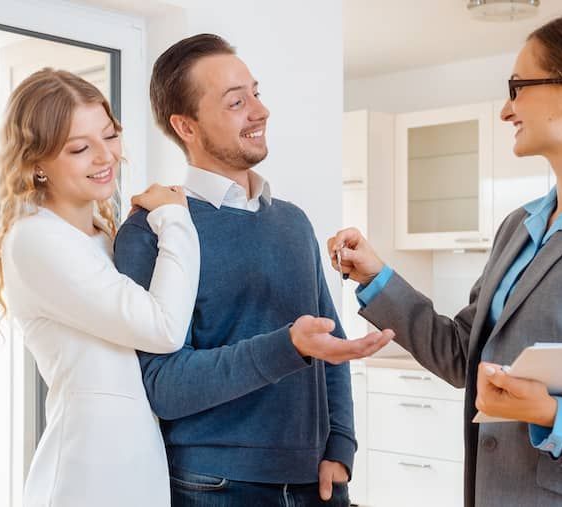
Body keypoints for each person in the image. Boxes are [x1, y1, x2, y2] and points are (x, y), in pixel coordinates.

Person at [329, 14, 562, 507]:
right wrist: (378, 277)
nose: (506, 110)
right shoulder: (518, 228)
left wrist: (552, 413)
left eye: (518, 87)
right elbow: (464, 356)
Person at [114, 34, 394, 506]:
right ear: (186, 126)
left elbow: (331, 342)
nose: (259, 111)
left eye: (256, 94)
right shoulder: (154, 231)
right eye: (235, 102)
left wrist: (340, 446)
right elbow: (162, 385)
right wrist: (287, 346)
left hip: (317, 483)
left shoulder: (292, 221)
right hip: (214, 485)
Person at [0, 68, 200, 506]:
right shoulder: (36, 240)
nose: (105, 157)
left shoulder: (104, 237)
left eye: (110, 136)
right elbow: (162, 327)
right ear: (36, 163)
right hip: (89, 471)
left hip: (138, 460)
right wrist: (175, 217)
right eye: (80, 148)